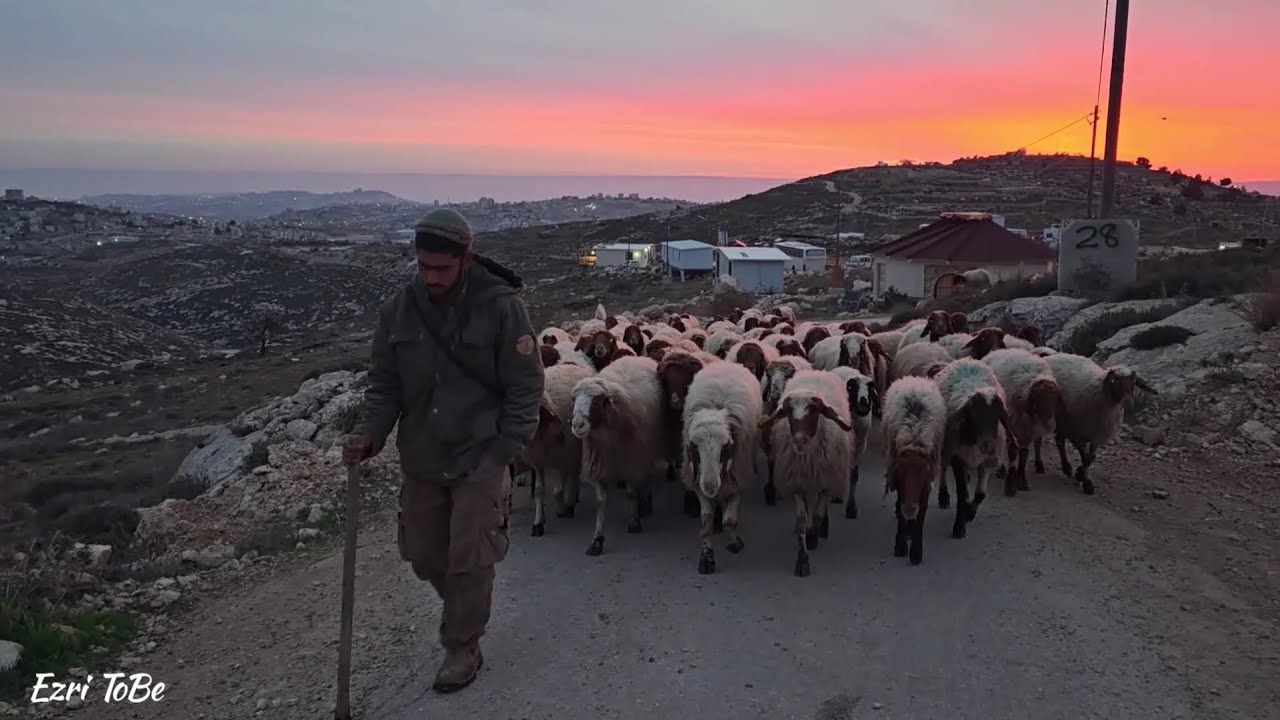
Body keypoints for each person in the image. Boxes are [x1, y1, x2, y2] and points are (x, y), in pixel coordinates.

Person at [341, 207, 545, 693]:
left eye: (442, 268)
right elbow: (384, 386)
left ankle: (462, 644)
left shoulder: (501, 308)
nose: (431, 278)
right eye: (423, 267)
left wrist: (507, 447)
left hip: (481, 453)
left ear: (465, 259)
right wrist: (368, 434)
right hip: (423, 455)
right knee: (425, 554)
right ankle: (460, 611)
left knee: (470, 556)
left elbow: (525, 384)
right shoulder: (398, 311)